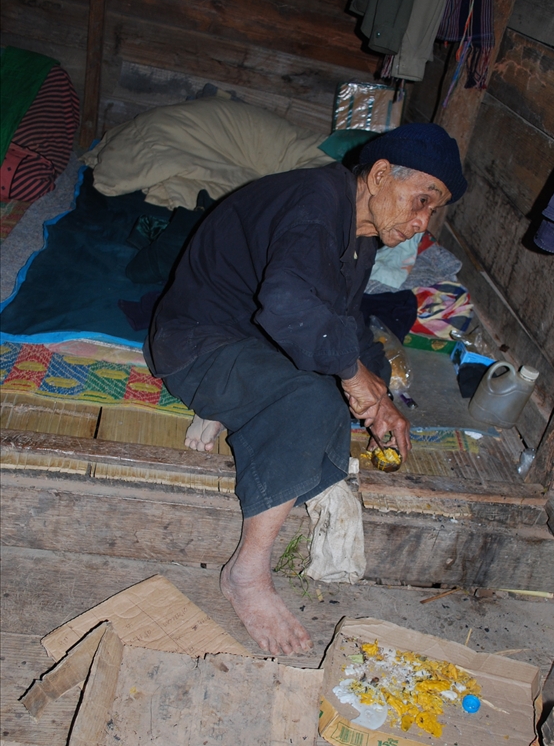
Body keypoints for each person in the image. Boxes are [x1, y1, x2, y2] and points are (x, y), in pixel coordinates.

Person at [144, 123, 467, 655]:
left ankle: (231, 407)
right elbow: (291, 307)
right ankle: (246, 574)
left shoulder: (358, 232)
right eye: (422, 201)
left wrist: (380, 397)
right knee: (315, 397)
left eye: (433, 210)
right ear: (380, 176)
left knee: (339, 376)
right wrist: (351, 378)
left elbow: (346, 319)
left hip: (256, 340)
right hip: (197, 342)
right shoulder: (314, 204)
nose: (422, 222)